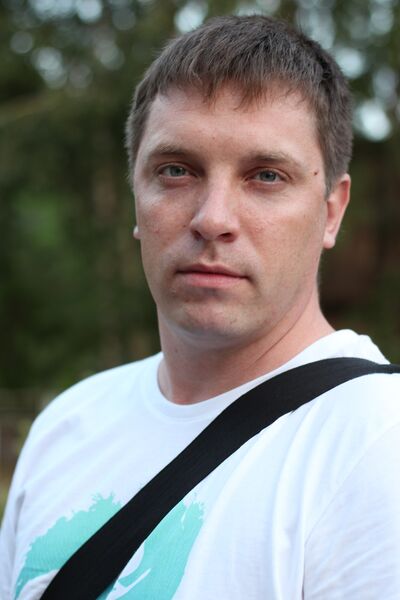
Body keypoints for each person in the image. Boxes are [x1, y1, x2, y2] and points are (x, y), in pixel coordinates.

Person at [1, 14, 400, 600]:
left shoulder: (377, 444)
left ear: (331, 211)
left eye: (266, 176)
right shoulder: (67, 426)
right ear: (136, 197)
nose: (212, 218)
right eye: (176, 170)